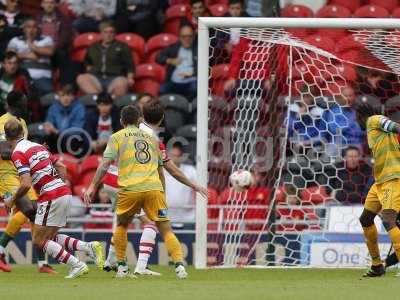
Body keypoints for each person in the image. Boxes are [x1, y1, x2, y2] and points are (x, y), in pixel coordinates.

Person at [83, 104, 196, 278]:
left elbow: (105, 163)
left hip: (115, 181)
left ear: (122, 121)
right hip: (143, 184)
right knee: (154, 223)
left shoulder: (117, 135)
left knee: (121, 221)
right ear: (140, 119)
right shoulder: (152, 138)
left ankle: (114, 262)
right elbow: (166, 170)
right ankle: (148, 264)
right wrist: (167, 191)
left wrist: (92, 186)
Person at [4, 118, 105, 279]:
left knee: (38, 240)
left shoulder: (17, 153)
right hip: (63, 191)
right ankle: (88, 247)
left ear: (7, 138)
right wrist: (59, 185)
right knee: (49, 237)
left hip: (51, 195)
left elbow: (25, 183)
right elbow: (62, 167)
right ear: (23, 132)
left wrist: (12, 200)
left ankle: (77, 264)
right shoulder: (37, 146)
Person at [0, 91, 53, 274]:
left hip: (21, 172)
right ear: (14, 104)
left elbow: (21, 149)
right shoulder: (3, 121)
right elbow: (4, 151)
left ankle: (42, 263)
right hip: (6, 174)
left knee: (36, 212)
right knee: (28, 210)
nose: (27, 104)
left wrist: (35, 149)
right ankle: (0, 250)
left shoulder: (21, 122)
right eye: (24, 102)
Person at [355, 101, 400, 277]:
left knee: (389, 219)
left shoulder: (373, 120)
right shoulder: (373, 131)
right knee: (366, 219)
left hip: (393, 178)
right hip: (380, 181)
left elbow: (394, 126)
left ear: (360, 115)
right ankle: (377, 265)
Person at [77, 21, 135, 99]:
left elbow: (130, 64)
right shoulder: (93, 47)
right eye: (106, 32)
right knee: (81, 78)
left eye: (111, 32)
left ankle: (110, 100)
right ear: (101, 33)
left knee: (123, 82)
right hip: (96, 77)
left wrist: (130, 78)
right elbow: (86, 61)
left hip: (115, 78)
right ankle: (99, 99)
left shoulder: (122, 46)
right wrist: (89, 67)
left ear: (115, 33)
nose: (109, 35)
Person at [7, 17, 55, 96]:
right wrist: (33, 55)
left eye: (34, 27)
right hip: (21, 76)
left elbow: (50, 52)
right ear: (24, 29)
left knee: (50, 94)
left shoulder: (46, 39)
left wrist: (31, 45)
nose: (31, 30)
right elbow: (10, 55)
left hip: (41, 77)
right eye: (29, 27)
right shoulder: (15, 40)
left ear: (38, 29)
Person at [36, 0, 75, 86]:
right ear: (42, 4)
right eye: (47, 3)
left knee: (64, 56)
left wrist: (53, 48)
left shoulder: (64, 19)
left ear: (56, 4)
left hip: (56, 50)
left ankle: (66, 88)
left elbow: (64, 38)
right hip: (40, 48)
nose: (49, 5)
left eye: (51, 3)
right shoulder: (36, 19)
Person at [156, 23, 197, 100]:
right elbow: (158, 57)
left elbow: (206, 68)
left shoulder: (198, 49)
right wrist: (170, 60)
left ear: (194, 37)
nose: (187, 39)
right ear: (180, 37)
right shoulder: (174, 48)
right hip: (174, 82)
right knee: (162, 89)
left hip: (191, 82)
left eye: (190, 36)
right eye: (184, 36)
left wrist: (193, 73)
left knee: (195, 89)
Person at [164, 144, 197, 228]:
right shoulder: (161, 171)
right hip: (167, 218)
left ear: (181, 157)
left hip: (188, 218)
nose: (174, 158)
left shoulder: (191, 171)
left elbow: (199, 188)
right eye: (172, 156)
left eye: (177, 156)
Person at [0, 51, 37, 116]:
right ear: (3, 64)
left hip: (15, 112)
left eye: (15, 63)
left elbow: (33, 95)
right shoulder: (1, 74)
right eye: (9, 63)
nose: (13, 66)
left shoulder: (23, 76)